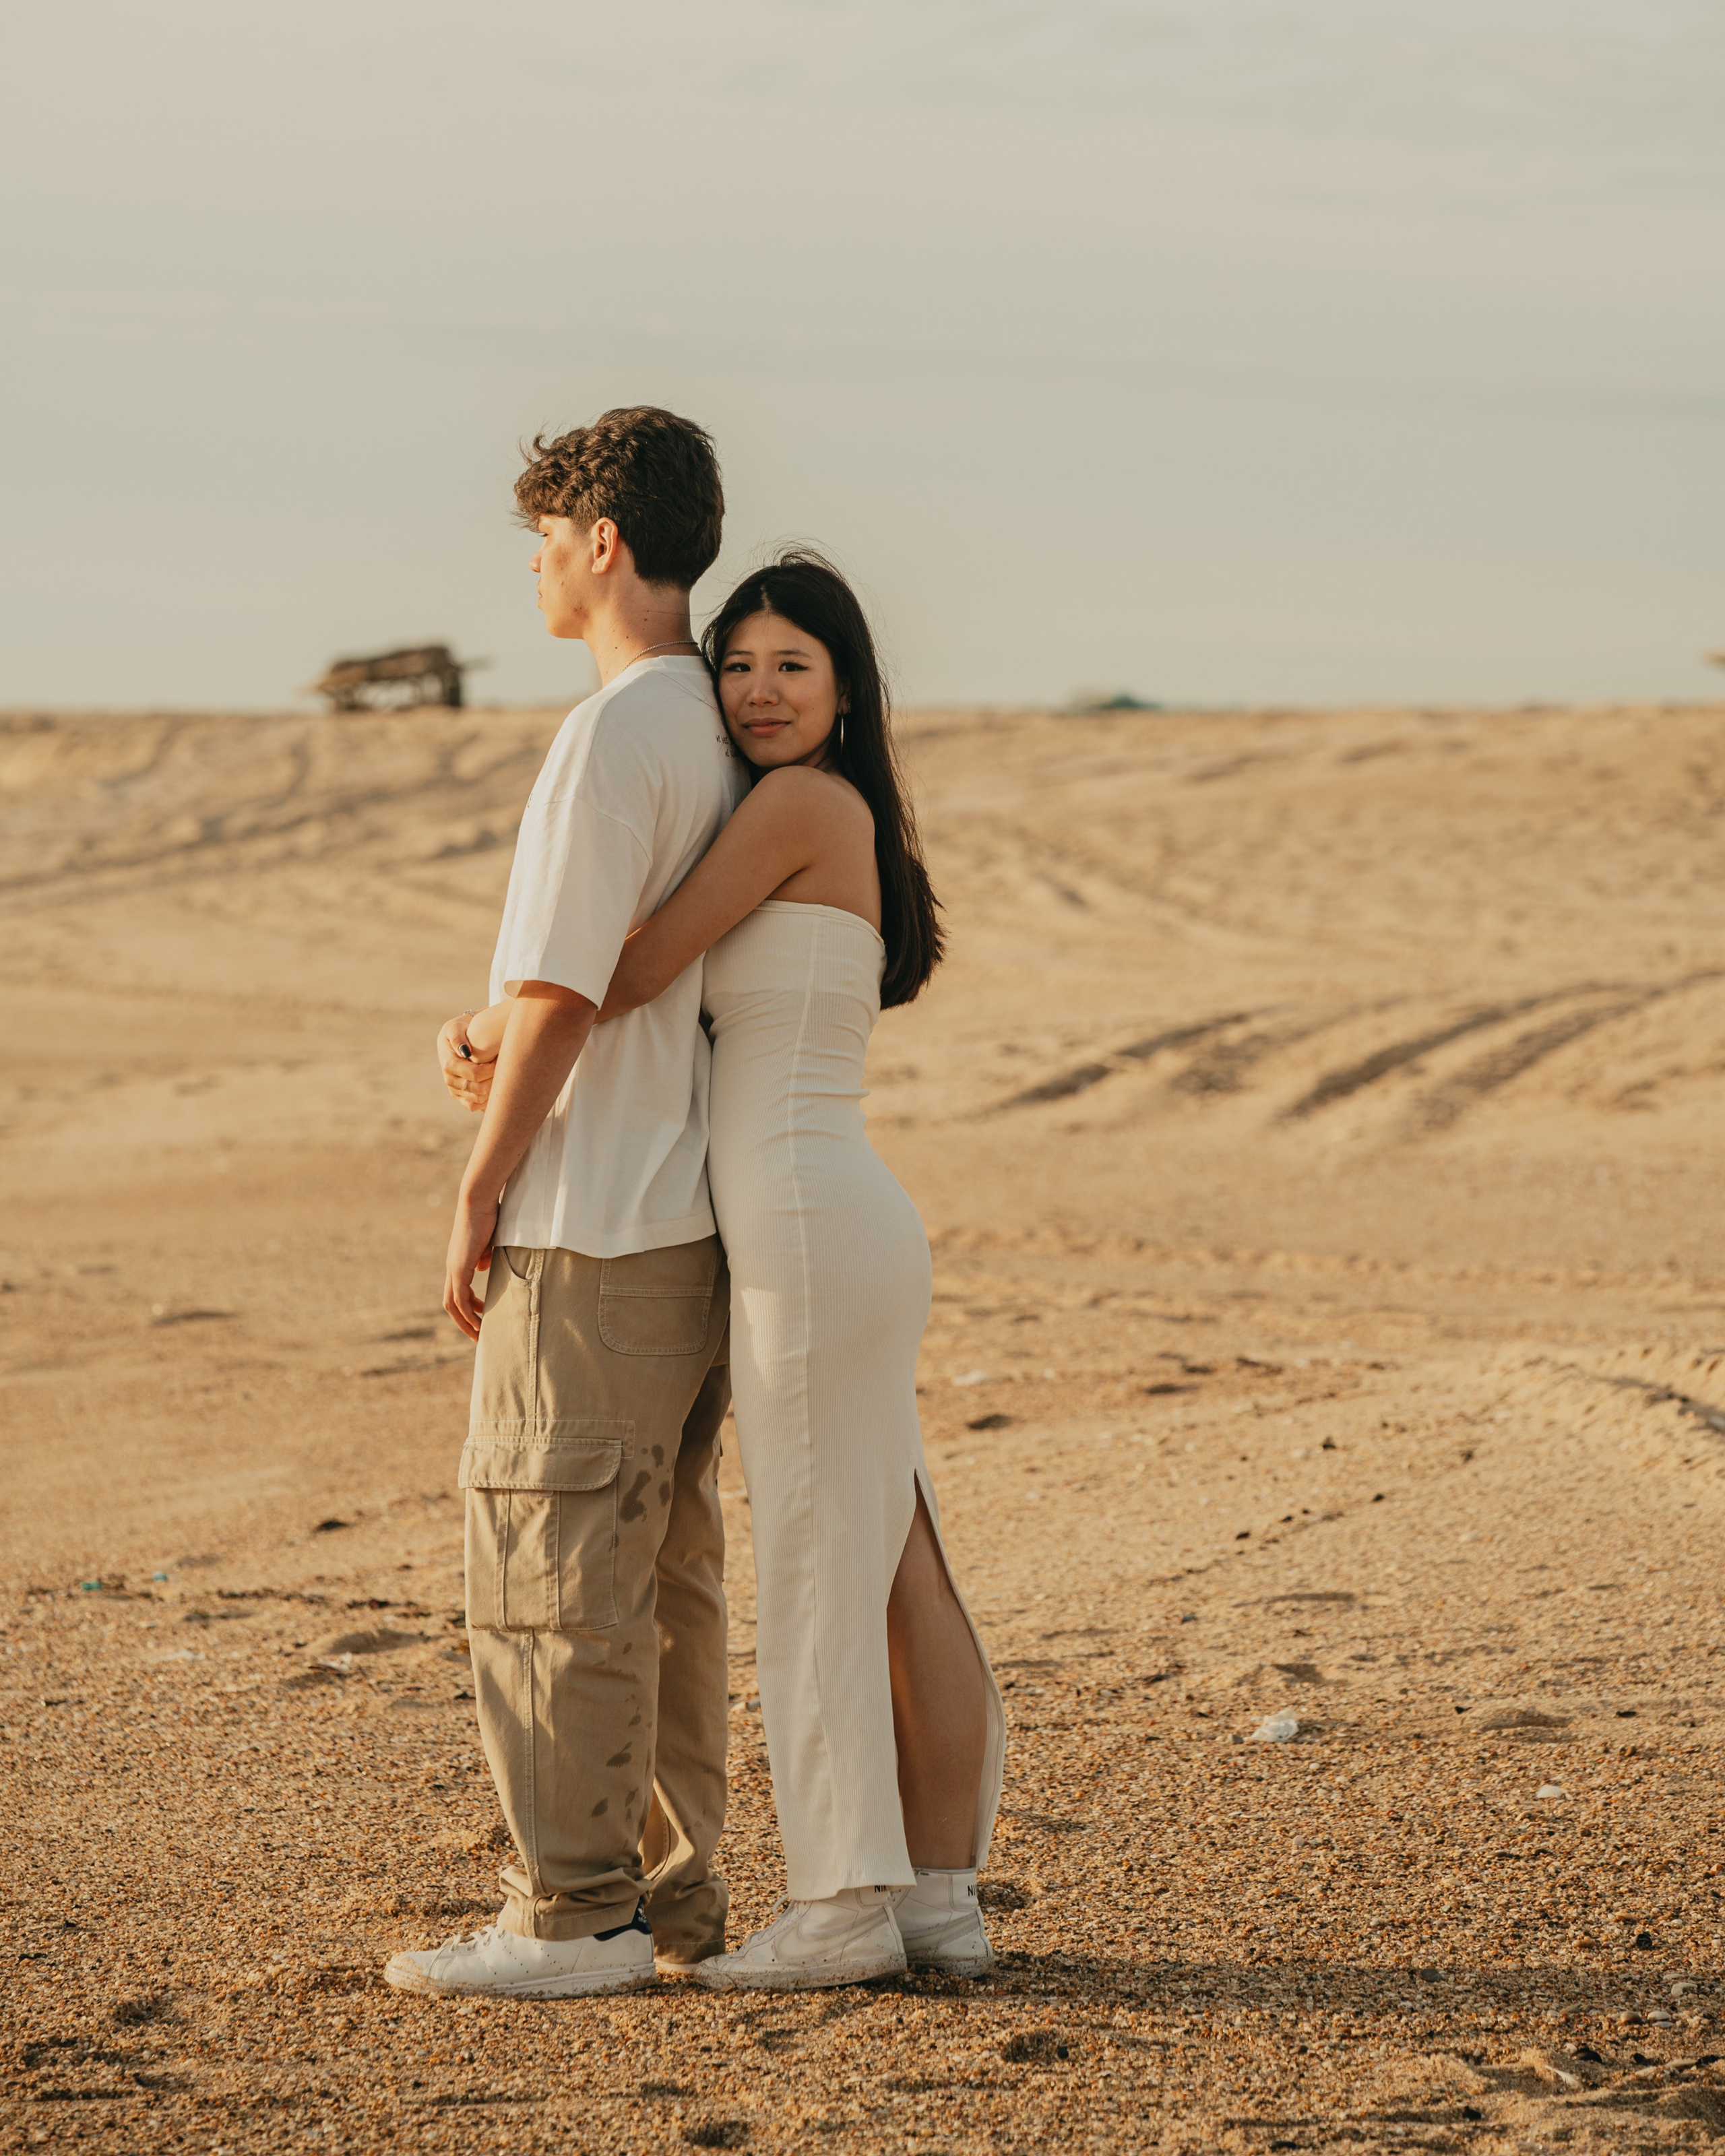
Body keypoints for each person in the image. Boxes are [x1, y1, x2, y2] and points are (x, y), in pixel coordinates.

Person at [592, 551, 1006, 1990]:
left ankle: (838, 1902)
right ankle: (935, 1903)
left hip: (806, 1223)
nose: (759, 691)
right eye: (740, 665)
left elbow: (634, 965)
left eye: (792, 667)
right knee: (891, 1562)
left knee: (828, 1563)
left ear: (842, 690)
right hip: (838, 1213)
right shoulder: (835, 811)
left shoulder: (796, 805)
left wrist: (485, 1019)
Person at [385, 406, 747, 2001]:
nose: (532, 570)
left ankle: (571, 1916)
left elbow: (556, 986)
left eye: (542, 540)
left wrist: (479, 1183)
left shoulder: (617, 732)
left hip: (595, 1215)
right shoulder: (725, 725)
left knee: (546, 1569)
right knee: (655, 1572)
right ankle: (660, 1901)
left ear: (602, 544)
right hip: (686, 1216)